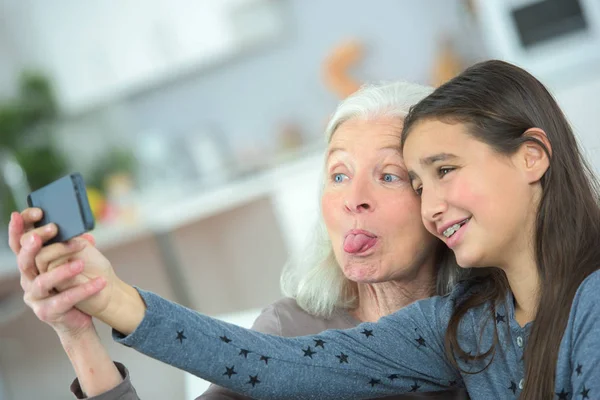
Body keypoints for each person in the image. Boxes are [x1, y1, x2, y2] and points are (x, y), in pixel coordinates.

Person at [12, 59, 600, 399]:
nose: (354, 201)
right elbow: (270, 362)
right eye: (338, 174)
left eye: (398, 178)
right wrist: (90, 320)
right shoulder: (447, 330)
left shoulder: (476, 327)